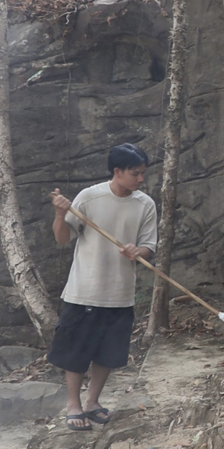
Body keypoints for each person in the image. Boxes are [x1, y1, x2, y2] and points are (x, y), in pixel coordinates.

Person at [49, 143, 157, 431]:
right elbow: (63, 239)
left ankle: (92, 402)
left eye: (143, 173)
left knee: (108, 353)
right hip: (85, 289)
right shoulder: (89, 198)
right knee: (77, 352)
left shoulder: (145, 204)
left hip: (120, 292)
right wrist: (60, 215)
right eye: (135, 173)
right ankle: (73, 405)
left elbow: (149, 245)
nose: (140, 180)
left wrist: (139, 251)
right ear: (117, 171)